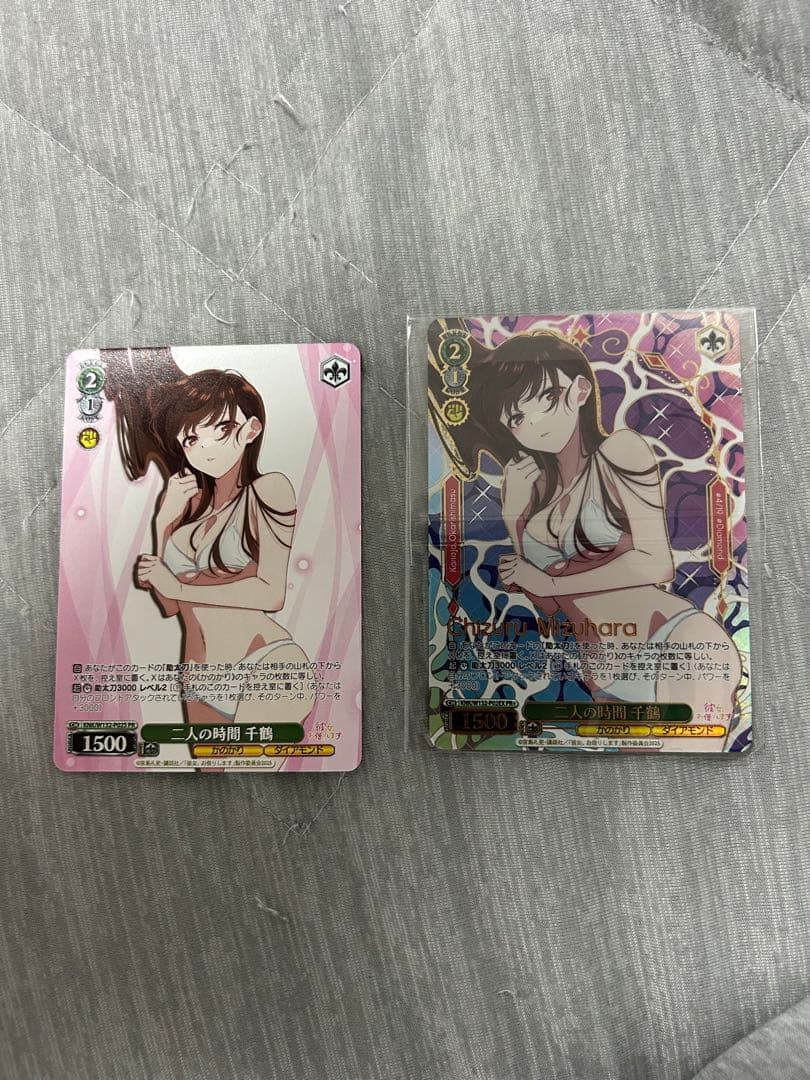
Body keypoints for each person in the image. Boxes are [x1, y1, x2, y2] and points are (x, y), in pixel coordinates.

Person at [430, 327, 742, 741]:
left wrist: (551, 581)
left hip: (673, 639)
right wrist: (513, 517)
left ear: (579, 390)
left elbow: (656, 562)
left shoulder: (620, 451)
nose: (532, 423)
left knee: (694, 761)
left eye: (545, 398)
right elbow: (548, 605)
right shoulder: (529, 489)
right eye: (516, 418)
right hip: (605, 676)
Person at [105, 348, 315, 731]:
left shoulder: (268, 490)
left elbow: (271, 593)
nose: (204, 445)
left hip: (266, 662)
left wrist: (175, 584)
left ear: (251, 430)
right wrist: (163, 522)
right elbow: (170, 605)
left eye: (221, 429)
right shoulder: (188, 507)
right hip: (200, 676)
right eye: (190, 438)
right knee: (212, 771)